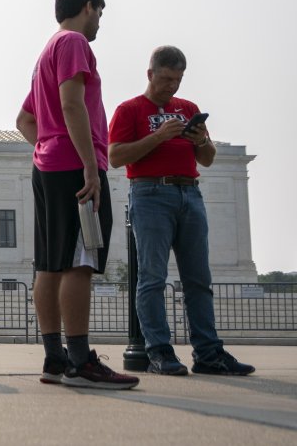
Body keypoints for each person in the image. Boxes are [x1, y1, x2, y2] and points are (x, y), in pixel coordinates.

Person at [15, 0, 138, 390]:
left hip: (48, 165)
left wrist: (49, 147)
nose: (100, 21)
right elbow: (71, 103)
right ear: (89, 7)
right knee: (79, 260)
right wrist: (88, 164)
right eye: (100, 13)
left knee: (49, 263)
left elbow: (25, 121)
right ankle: (82, 361)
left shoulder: (45, 53)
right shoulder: (73, 44)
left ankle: (54, 359)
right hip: (74, 166)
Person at [109, 46, 255, 376]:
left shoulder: (187, 108)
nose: (172, 87)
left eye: (178, 80)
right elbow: (116, 156)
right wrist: (159, 137)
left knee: (198, 279)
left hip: (190, 192)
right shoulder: (129, 110)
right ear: (150, 74)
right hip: (150, 192)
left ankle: (208, 353)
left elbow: (207, 158)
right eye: (166, 79)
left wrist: (201, 140)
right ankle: (159, 351)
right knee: (153, 277)